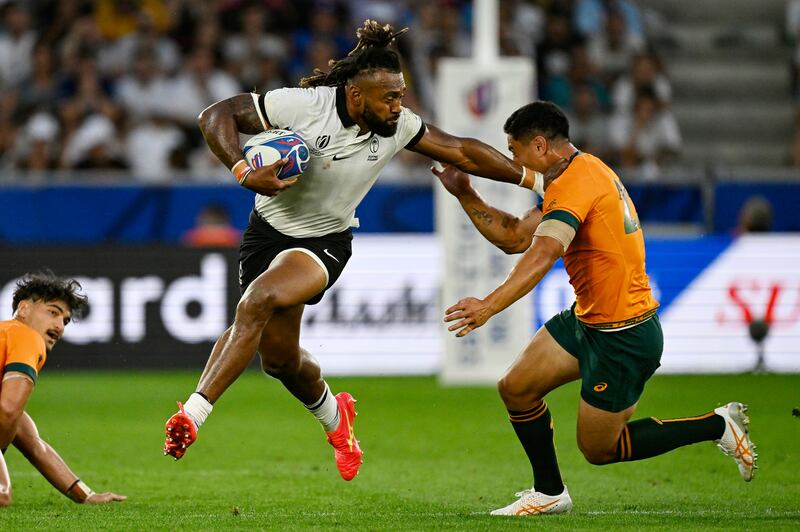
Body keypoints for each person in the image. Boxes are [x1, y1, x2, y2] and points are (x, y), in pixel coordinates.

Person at [163, 20, 537, 482]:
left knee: (256, 301)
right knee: (278, 360)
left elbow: (462, 151)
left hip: (324, 242)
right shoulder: (302, 107)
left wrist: (533, 179)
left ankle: (192, 415)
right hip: (266, 233)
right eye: (391, 97)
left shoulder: (398, 126)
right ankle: (338, 422)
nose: (400, 106)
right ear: (357, 96)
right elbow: (215, 115)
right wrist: (242, 168)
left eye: (401, 95)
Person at [436, 101, 757, 516]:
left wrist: (489, 306)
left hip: (624, 334)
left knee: (601, 449)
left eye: (514, 151)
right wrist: (464, 191)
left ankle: (719, 425)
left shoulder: (575, 184)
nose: (513, 160)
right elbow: (515, 236)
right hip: (588, 320)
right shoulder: (579, 174)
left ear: (539, 145)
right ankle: (549, 493)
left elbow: (541, 254)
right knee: (516, 387)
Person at [0, 271, 126, 507]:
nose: (59, 326)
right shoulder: (27, 337)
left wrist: (86, 495)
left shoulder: (6, 334)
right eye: (53, 313)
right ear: (24, 309)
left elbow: (34, 444)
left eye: (65, 320)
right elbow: (7, 410)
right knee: (1, 494)